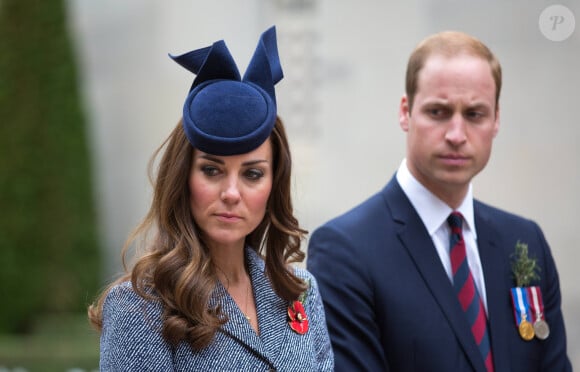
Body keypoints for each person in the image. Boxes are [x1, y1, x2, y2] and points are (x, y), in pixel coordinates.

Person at [307, 30, 572, 371]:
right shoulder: (345, 250)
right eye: (438, 112)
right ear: (405, 112)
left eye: (475, 114)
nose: (457, 135)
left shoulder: (524, 240)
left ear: (496, 119)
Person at [88, 26, 333, 371]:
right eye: (212, 170)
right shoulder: (137, 306)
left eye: (252, 174)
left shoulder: (300, 291)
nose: (231, 193)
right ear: (183, 177)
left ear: (273, 185)